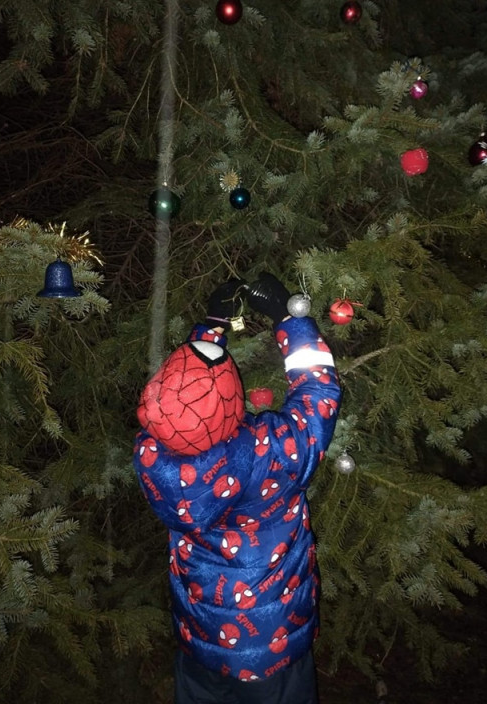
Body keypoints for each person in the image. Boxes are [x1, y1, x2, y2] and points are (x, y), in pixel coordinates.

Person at [133, 273, 341, 704]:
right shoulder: (269, 453)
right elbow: (317, 393)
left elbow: (188, 398)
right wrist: (289, 318)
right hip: (274, 649)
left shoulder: (151, 454)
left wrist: (212, 325)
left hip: (200, 642)